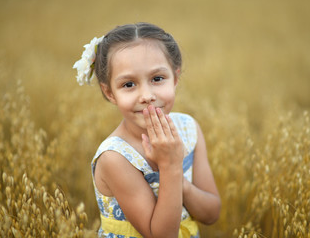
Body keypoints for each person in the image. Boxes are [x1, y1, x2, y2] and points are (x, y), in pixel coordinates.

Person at [73, 22, 221, 238]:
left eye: (157, 79)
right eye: (129, 84)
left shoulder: (189, 129)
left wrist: (181, 183)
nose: (146, 95)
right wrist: (170, 166)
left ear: (175, 78)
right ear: (109, 93)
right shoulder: (115, 157)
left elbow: (211, 213)